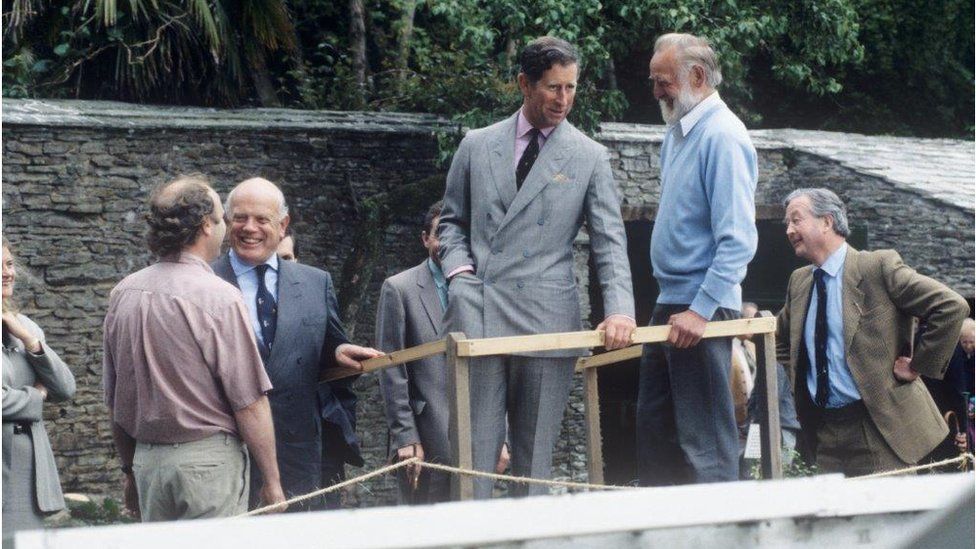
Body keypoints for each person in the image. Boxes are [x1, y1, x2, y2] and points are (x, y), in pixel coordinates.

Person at [438, 36, 636, 498]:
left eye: (571, 88)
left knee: (533, 467)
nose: (563, 100)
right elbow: (451, 222)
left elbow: (610, 242)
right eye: (552, 88)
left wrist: (621, 309)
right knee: (472, 464)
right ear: (524, 84)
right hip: (479, 313)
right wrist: (459, 273)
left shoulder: (589, 156)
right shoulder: (476, 144)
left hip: (548, 321)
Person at [103, 175, 287, 521]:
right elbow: (249, 402)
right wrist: (273, 482)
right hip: (208, 466)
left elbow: (115, 399)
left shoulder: (123, 294)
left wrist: (129, 470)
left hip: (148, 463)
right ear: (206, 226)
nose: (224, 228)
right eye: (221, 219)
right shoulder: (220, 297)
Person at [213, 177, 381, 510]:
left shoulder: (315, 282)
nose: (250, 228)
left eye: (262, 219)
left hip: (301, 450)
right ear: (227, 222)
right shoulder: (206, 280)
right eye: (240, 218)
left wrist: (337, 353)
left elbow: (329, 345)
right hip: (230, 448)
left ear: (282, 224)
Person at [776, 187, 969, 476]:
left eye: (796, 220)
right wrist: (804, 379)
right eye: (787, 224)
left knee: (891, 519)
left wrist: (918, 366)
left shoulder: (877, 266)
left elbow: (950, 306)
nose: (789, 230)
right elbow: (782, 341)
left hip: (880, 429)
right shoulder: (799, 281)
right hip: (825, 432)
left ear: (827, 222)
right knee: (835, 519)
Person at [637, 33, 758, 486]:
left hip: (700, 309)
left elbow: (738, 240)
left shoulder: (724, 136)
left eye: (663, 81)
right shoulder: (678, 133)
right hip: (672, 302)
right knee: (657, 438)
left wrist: (701, 309)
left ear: (698, 77)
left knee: (704, 446)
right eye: (654, 81)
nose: (655, 92)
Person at [377, 201, 511, 504]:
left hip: (481, 442)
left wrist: (501, 437)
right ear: (426, 239)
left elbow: (498, 368)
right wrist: (406, 438)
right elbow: (391, 370)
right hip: (426, 441)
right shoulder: (398, 289)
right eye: (442, 233)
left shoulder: (486, 290)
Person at [2, 238, 76, 540]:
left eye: (8, 264)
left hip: (26, 476)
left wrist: (32, 343)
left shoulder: (25, 328)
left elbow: (65, 388)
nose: (8, 273)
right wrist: (36, 396)